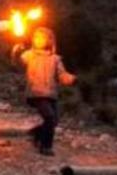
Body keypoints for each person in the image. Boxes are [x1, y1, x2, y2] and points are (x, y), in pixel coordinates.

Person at [13, 27, 77, 156]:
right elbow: (18, 62)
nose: (38, 40)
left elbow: (61, 75)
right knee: (49, 117)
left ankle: (36, 134)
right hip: (35, 93)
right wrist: (16, 52)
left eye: (41, 37)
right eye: (36, 37)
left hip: (50, 94)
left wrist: (71, 79)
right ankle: (46, 146)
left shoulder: (55, 59)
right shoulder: (29, 55)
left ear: (49, 40)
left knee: (54, 121)